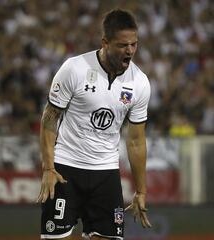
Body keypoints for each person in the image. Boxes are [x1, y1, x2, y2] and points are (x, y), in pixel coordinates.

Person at [37, 9, 152, 240]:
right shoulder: (74, 69)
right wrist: (48, 168)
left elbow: (136, 141)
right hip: (65, 168)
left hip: (106, 173)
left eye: (134, 44)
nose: (130, 51)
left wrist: (141, 190)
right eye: (123, 45)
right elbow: (50, 119)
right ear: (105, 42)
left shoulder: (139, 83)